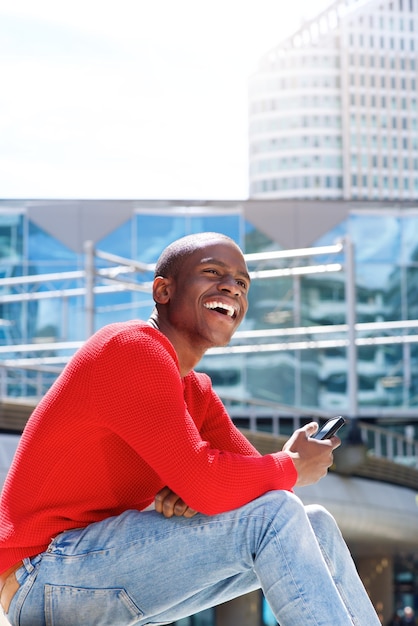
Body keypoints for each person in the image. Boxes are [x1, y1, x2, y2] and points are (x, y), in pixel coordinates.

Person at [0, 232, 381, 625]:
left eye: (242, 283)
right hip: (43, 573)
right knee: (276, 513)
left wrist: (216, 484)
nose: (231, 287)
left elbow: (239, 494)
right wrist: (285, 466)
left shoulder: (193, 390)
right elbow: (222, 489)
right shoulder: (133, 348)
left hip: (86, 568)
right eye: (213, 272)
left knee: (313, 524)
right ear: (163, 291)